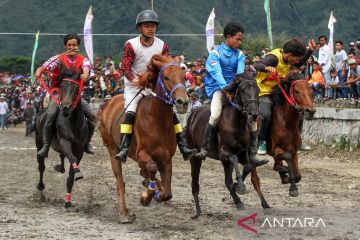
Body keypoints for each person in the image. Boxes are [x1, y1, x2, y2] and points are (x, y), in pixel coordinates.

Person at [115, 10, 196, 162]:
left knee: (170, 111)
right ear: (140, 28)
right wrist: (136, 80)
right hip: (135, 86)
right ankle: (124, 148)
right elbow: (125, 68)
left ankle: (183, 145)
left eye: (153, 26)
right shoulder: (131, 45)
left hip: (154, 87)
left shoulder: (162, 45)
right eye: (147, 26)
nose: (150, 29)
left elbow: (167, 67)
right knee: (131, 111)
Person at [194, 21, 268, 168]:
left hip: (235, 89)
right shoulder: (214, 54)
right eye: (238, 39)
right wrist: (226, 90)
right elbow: (217, 74)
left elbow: (239, 74)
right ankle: (204, 148)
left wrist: (234, 89)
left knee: (252, 116)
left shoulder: (240, 54)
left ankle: (252, 154)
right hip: (217, 89)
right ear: (228, 37)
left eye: (241, 39)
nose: (240, 42)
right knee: (215, 114)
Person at [35, 34, 96, 158]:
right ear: (65, 46)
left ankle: (87, 143)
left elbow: (86, 68)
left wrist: (85, 74)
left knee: (92, 116)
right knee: (51, 114)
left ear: (78, 46)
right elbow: (46, 66)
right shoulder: (58, 58)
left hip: (74, 95)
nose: (72, 47)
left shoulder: (83, 60)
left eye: (74, 45)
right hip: (59, 93)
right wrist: (39, 70)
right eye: (69, 45)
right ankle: (46, 144)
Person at [254, 38, 316, 155]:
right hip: (264, 91)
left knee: (299, 110)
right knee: (266, 114)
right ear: (290, 55)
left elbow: (300, 61)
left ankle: (297, 138)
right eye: (296, 58)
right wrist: (266, 67)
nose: (297, 62)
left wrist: (310, 51)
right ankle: (261, 141)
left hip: (279, 90)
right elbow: (257, 64)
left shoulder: (289, 59)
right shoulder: (273, 58)